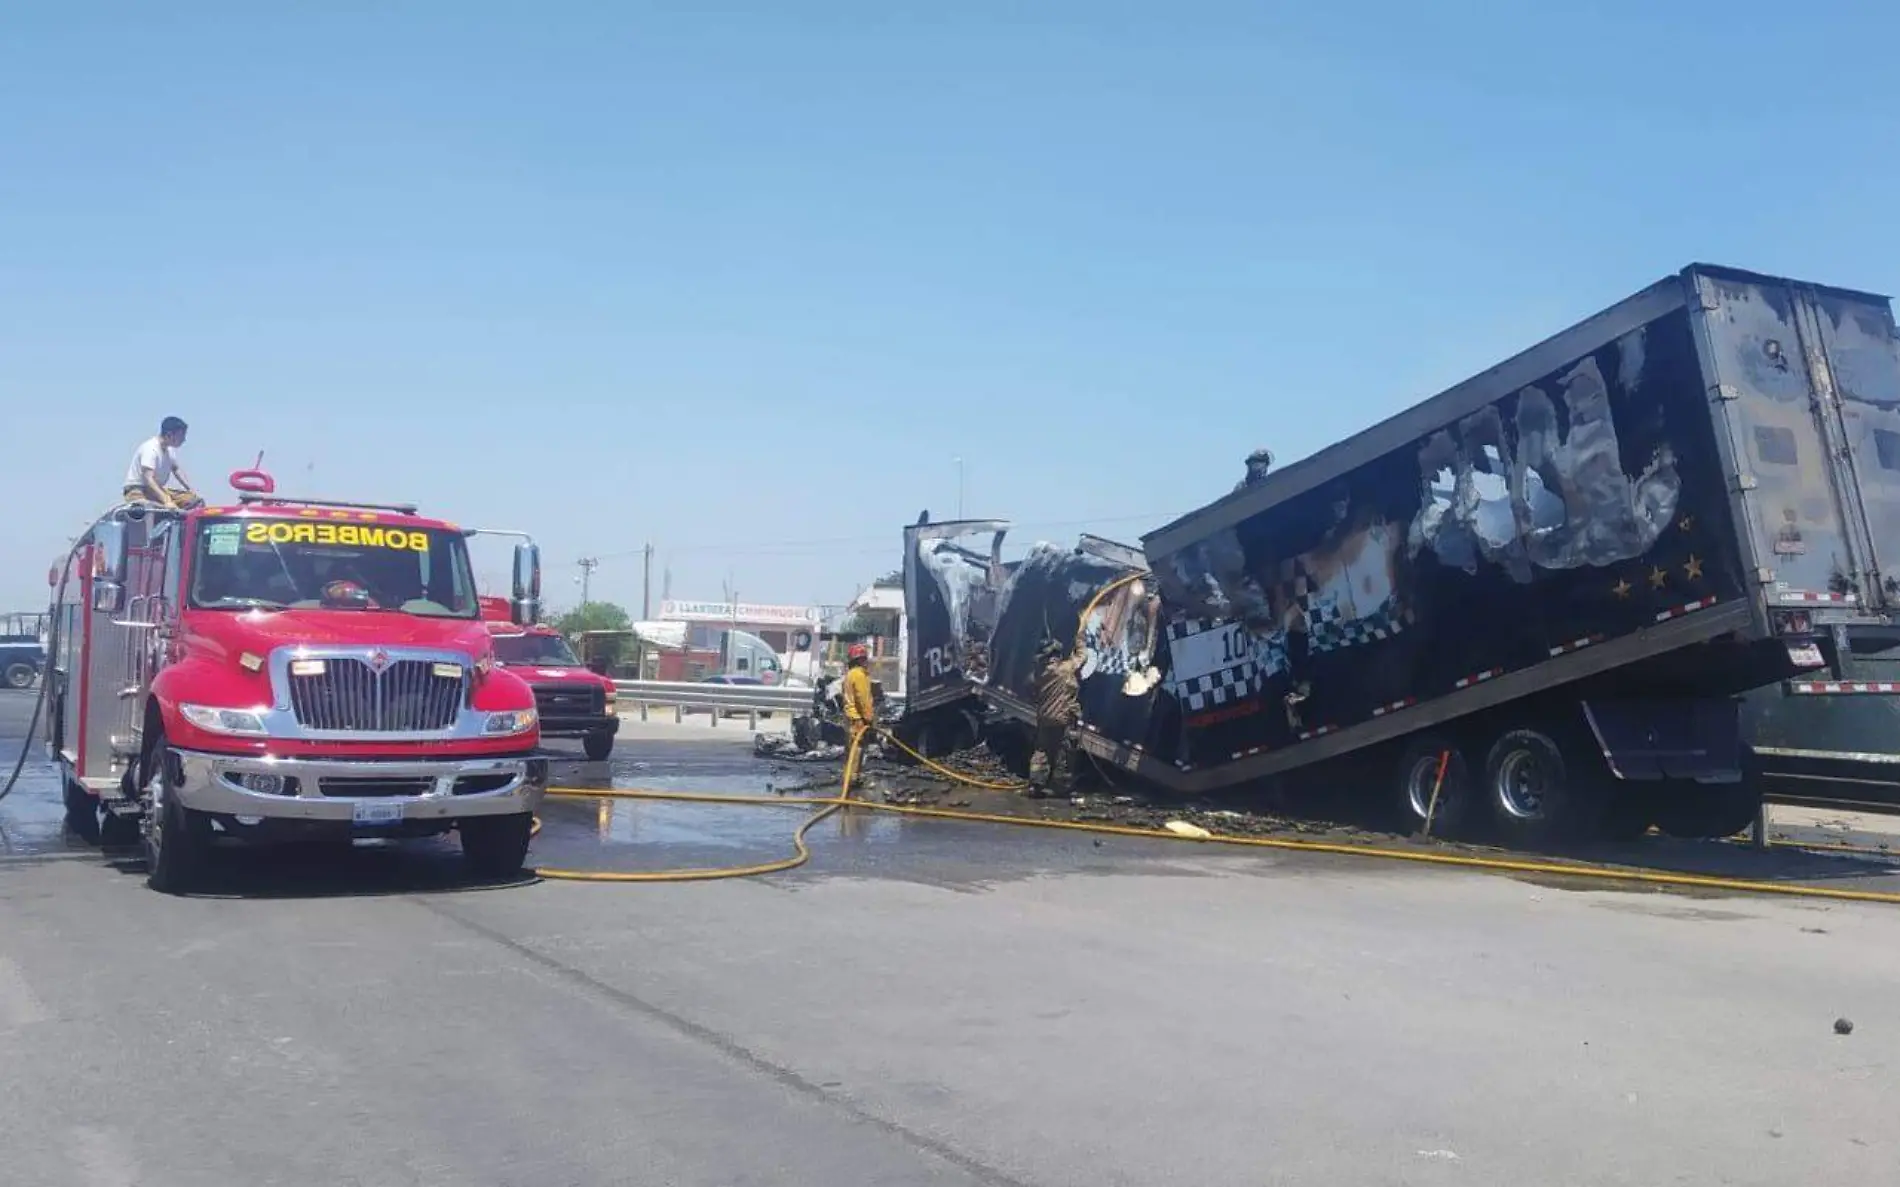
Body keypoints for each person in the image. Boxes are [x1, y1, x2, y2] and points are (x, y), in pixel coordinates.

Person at [1030, 637, 1083, 794]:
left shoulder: (1039, 672)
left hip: (1044, 716)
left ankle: (1036, 783)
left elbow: (1031, 690)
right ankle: (1058, 785)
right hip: (1062, 718)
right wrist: (1080, 640)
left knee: (1042, 750)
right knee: (1062, 751)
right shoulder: (1064, 669)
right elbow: (1081, 658)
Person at [123, 417, 203, 510]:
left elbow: (176, 470)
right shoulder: (151, 449)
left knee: (194, 500)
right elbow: (148, 479)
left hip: (156, 489)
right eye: (181, 436)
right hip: (138, 490)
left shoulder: (169, 450)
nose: (184, 440)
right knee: (152, 509)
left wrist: (191, 490)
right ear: (170, 435)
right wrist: (166, 500)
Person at [839, 643, 878, 791]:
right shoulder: (859, 675)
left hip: (851, 716)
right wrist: (868, 719)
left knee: (851, 748)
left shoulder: (850, 674)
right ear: (861, 659)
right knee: (858, 748)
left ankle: (849, 776)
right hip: (858, 719)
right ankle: (853, 779)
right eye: (865, 658)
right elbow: (863, 699)